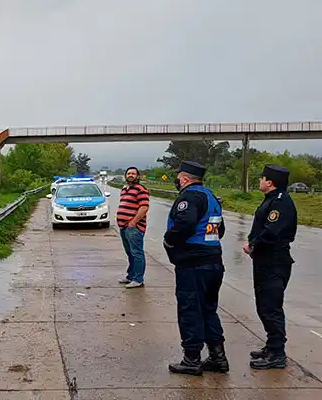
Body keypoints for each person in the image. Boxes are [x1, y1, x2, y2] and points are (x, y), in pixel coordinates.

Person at [163, 161, 228, 376]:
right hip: (213, 261)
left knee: (190, 310)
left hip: (193, 264)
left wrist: (169, 241)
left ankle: (191, 359)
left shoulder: (190, 197)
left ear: (184, 178)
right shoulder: (211, 197)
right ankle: (218, 357)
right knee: (208, 309)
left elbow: (185, 223)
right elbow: (220, 230)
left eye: (178, 178)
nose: (177, 181)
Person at [244, 165, 297, 370]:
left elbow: (271, 231)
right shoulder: (272, 199)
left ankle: (277, 353)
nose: (260, 181)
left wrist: (253, 245)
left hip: (274, 261)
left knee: (270, 307)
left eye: (262, 178)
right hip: (265, 260)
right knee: (263, 305)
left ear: (270, 182)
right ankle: (271, 345)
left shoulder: (280, 203)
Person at [116, 166, 150, 288]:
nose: (130, 175)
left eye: (133, 173)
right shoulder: (124, 189)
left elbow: (144, 207)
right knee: (130, 253)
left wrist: (134, 222)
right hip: (123, 227)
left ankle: (138, 279)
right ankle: (130, 276)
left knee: (137, 253)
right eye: (128, 173)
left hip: (134, 227)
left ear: (138, 176)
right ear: (125, 176)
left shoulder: (141, 189)